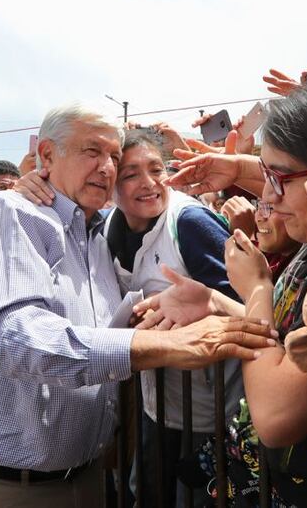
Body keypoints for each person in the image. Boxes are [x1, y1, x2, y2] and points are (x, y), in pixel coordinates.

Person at [0, 102, 276, 508]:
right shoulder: (10, 212)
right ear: (46, 155)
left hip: (85, 481)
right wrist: (163, 347)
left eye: (113, 156)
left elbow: (96, 328)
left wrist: (160, 307)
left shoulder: (95, 238)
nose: (107, 167)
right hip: (1, 488)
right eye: (92, 151)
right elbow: (18, 340)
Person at [149, 80, 307, 506]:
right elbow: (283, 343)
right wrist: (215, 301)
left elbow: (275, 415)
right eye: (266, 175)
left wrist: (254, 289)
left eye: (279, 178)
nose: (268, 195)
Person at [105, 130, 243, 507]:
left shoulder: (190, 222)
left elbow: (247, 307)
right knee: (145, 494)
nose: (149, 184)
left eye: (156, 169)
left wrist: (195, 315)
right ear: (111, 184)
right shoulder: (105, 232)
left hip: (213, 416)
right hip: (156, 406)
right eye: (131, 174)